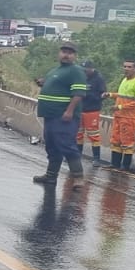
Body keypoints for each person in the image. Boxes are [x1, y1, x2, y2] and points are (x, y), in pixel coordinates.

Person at [31, 41, 87, 187]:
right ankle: (51, 176)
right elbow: (56, 84)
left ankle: (78, 178)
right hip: (50, 115)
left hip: (63, 116)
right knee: (52, 146)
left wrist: (69, 111)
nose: (66, 55)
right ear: (59, 53)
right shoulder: (55, 70)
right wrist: (44, 82)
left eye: (69, 52)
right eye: (63, 51)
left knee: (66, 145)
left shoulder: (76, 71)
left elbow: (79, 93)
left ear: (74, 56)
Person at [105, 59, 135, 171]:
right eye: (125, 66)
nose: (126, 69)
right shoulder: (124, 80)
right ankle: (115, 164)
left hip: (129, 117)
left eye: (129, 67)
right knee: (116, 140)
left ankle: (125, 166)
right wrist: (110, 94)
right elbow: (122, 95)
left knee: (127, 142)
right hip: (118, 116)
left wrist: (120, 107)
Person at [79, 59, 107, 164]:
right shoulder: (81, 77)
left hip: (92, 110)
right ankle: (77, 155)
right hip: (80, 109)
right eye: (83, 70)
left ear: (91, 68)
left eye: (86, 70)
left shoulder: (98, 79)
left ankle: (96, 158)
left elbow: (103, 95)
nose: (84, 72)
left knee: (93, 135)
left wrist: (89, 95)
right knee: (78, 134)